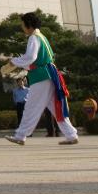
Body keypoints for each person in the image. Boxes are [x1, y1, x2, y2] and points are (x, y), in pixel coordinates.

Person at [4, 13, 79, 146]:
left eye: (23, 25)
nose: (22, 28)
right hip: (49, 74)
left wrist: (13, 62)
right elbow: (33, 60)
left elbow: (30, 57)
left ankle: (20, 135)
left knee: (31, 106)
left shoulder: (34, 38)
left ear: (29, 24)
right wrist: (17, 63)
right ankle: (71, 134)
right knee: (55, 108)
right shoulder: (42, 37)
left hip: (41, 76)